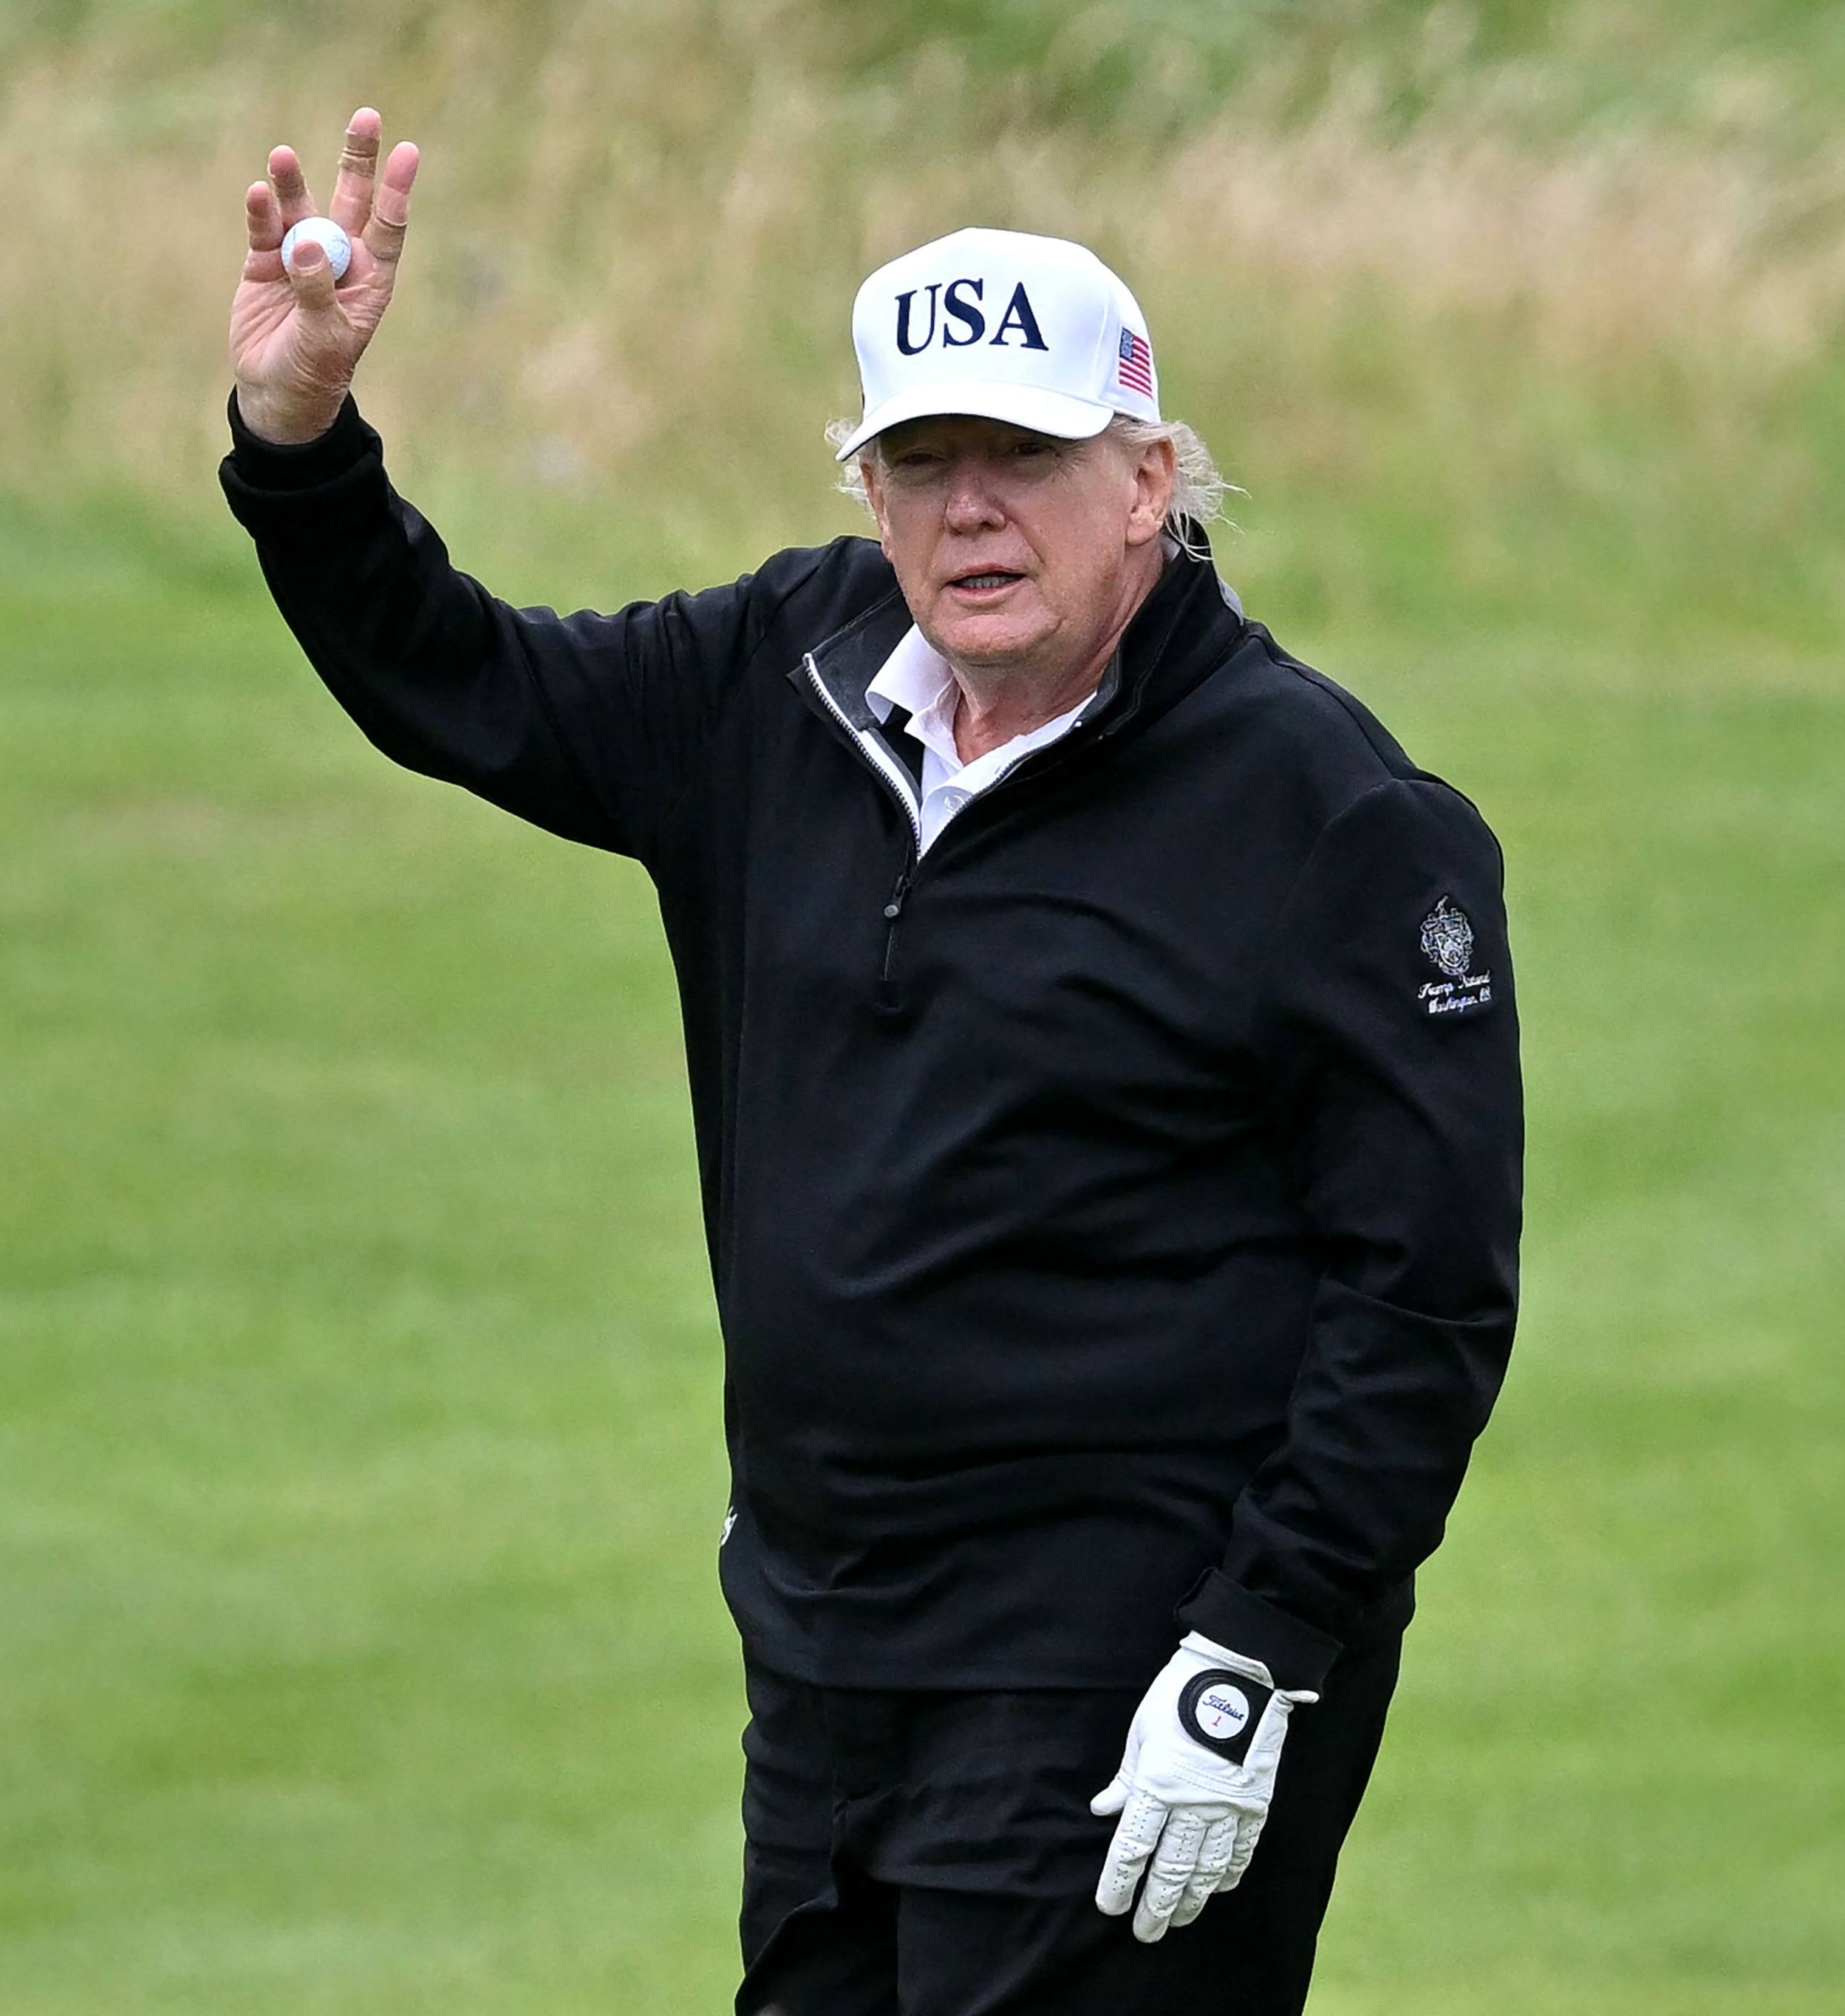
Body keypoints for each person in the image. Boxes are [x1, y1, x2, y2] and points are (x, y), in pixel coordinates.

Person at [218, 109, 1524, 2016]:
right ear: (870, 483)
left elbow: (1425, 1298)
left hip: (1128, 1675)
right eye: (923, 461)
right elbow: (463, 679)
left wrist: (1266, 1645)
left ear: (1151, 479)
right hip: (829, 1668)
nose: (969, 508)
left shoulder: (1330, 817)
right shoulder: (785, 675)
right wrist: (302, 447)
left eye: (1027, 456)